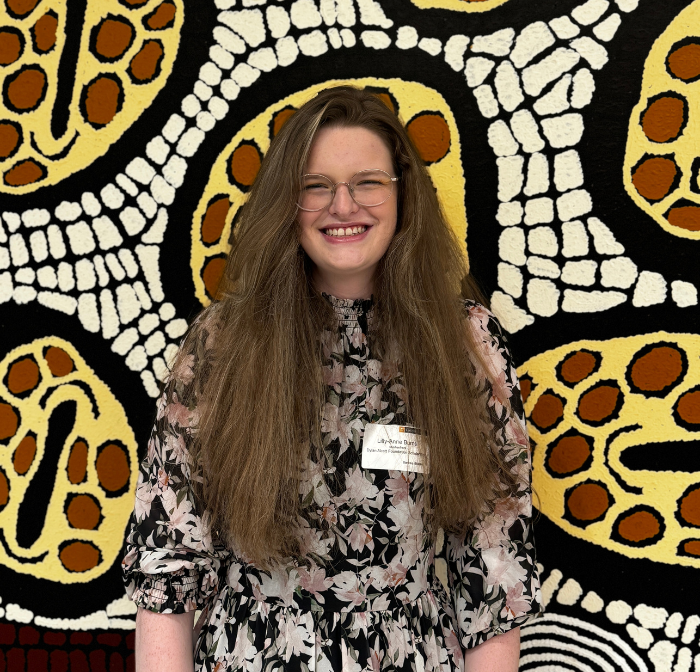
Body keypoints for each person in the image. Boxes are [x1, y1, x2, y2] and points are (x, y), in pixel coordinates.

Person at [122, 86, 542, 672]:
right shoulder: (224, 343)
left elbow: (495, 567)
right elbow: (167, 557)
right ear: (285, 205)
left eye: (368, 182)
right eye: (315, 186)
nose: (342, 206)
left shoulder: (466, 344)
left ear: (403, 195)